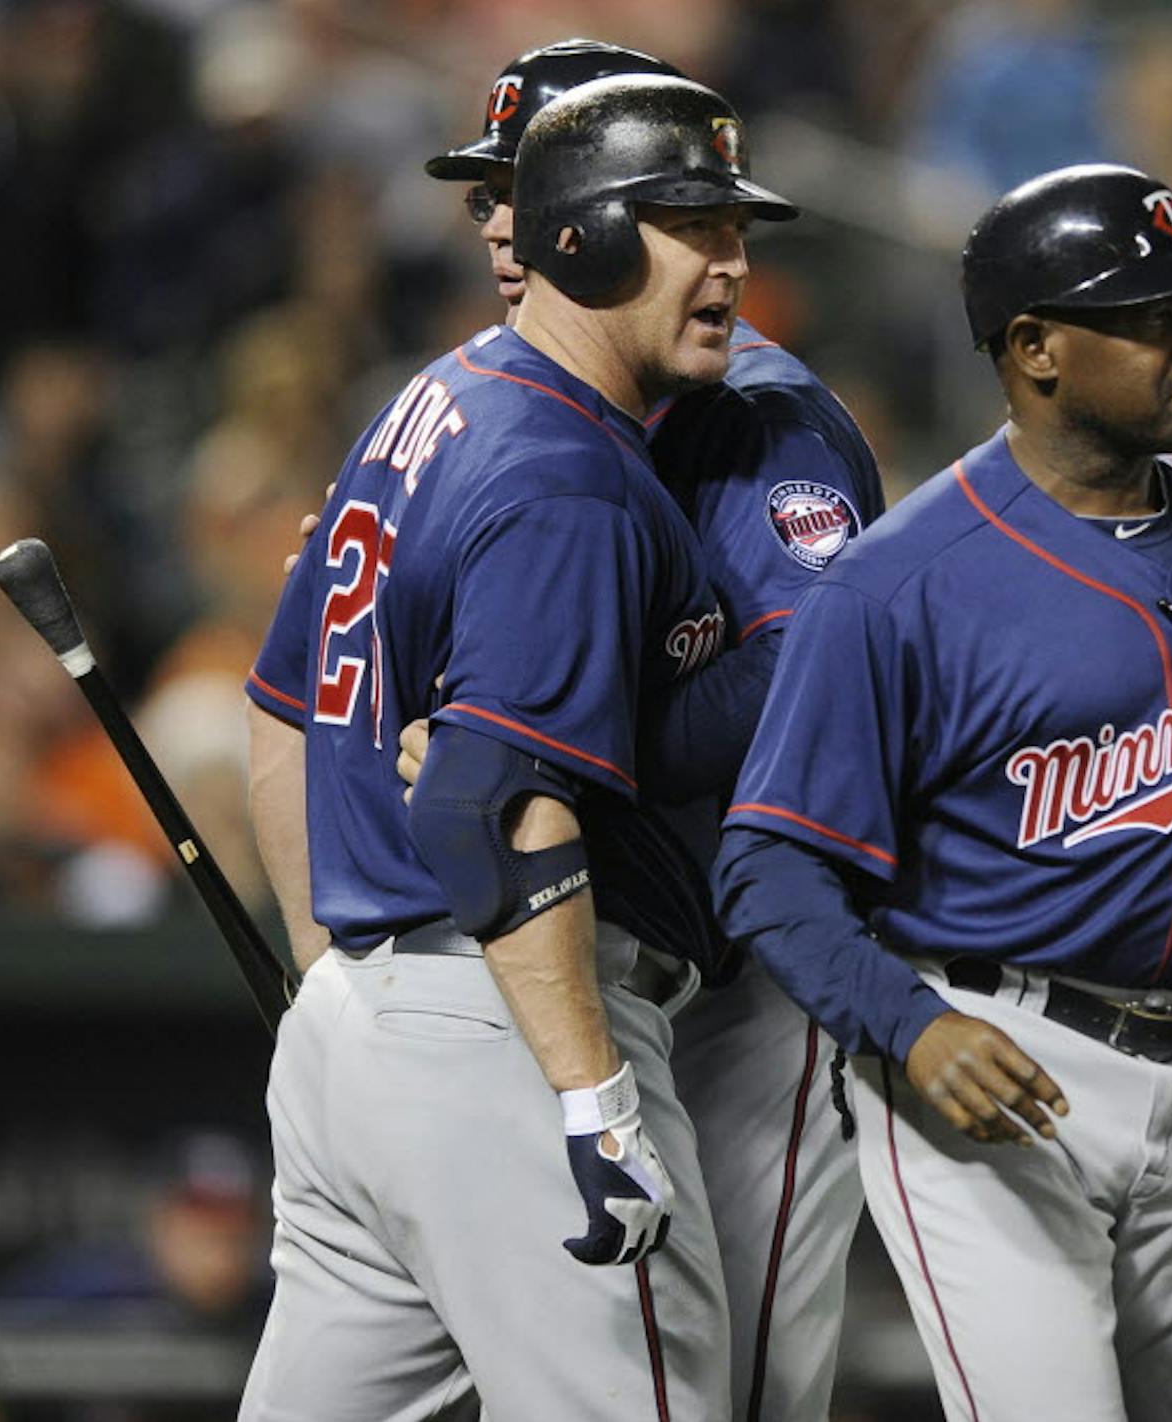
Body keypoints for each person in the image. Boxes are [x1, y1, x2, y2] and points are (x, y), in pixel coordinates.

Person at [712, 163, 1172, 1422]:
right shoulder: (898, 585)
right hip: (992, 1052)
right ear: (1036, 348)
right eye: (1148, 314)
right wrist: (907, 1024)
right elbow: (770, 868)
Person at [239, 72, 798, 1420]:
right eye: (688, 225)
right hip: (516, 1029)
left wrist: (334, 973)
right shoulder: (568, 474)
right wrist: (590, 1092)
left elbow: (289, 702)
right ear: (582, 237)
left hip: (367, 1033)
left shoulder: (430, 396)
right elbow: (493, 804)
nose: (731, 261)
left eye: (734, 227)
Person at [420, 38, 880, 1422]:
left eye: (524, 181)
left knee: (727, 1383)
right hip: (562, 949)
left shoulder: (753, 410)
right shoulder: (491, 397)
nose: (503, 222)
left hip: (754, 966)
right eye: (489, 188)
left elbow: (816, 673)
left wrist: (553, 743)